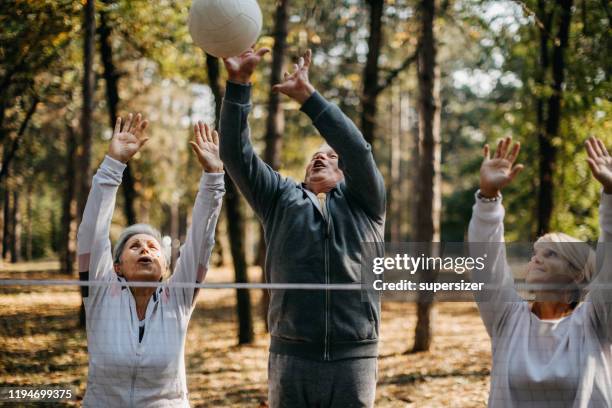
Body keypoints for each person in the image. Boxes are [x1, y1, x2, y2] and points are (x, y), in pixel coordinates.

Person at [219, 48, 386, 407]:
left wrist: (310, 100)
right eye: (316, 155)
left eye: (331, 155)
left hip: (354, 356)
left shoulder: (366, 202)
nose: (321, 156)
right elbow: (236, 154)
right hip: (291, 355)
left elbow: (357, 150)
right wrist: (238, 86)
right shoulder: (280, 197)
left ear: (345, 172)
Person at [77, 114, 225, 407]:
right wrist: (113, 165)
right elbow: (92, 234)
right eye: (134, 246)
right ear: (116, 266)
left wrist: (213, 178)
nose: (145, 250)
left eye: (153, 247)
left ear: (166, 269)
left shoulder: (179, 296)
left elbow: (201, 240)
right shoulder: (100, 291)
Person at [468, 136, 612, 406]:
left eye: (550, 253)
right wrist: (488, 197)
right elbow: (487, 263)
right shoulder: (508, 318)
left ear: (577, 274)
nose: (536, 259)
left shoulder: (596, 323)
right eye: (536, 253)